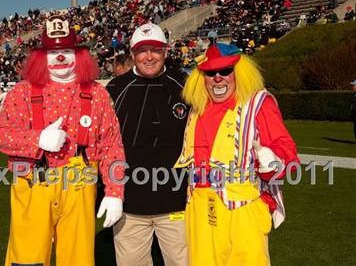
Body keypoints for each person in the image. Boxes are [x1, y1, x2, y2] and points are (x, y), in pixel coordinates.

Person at [0, 15, 126, 266]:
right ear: (41, 57)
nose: (61, 58)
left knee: (78, 259)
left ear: (79, 55)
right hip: (33, 184)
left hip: (80, 184)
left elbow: (112, 146)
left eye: (67, 50)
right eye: (53, 52)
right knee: (27, 259)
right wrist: (37, 139)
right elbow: (0, 137)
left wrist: (115, 192)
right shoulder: (22, 91)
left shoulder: (97, 93)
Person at [175, 43, 299, 266]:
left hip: (243, 207)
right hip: (199, 206)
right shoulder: (196, 108)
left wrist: (274, 160)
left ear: (239, 72)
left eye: (226, 70)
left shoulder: (258, 103)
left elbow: (287, 153)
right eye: (211, 73)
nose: (218, 78)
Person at [106, 23, 189, 266]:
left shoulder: (185, 86)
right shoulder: (115, 89)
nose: (149, 56)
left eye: (156, 49)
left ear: (166, 51)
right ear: (132, 54)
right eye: (142, 50)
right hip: (129, 205)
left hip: (176, 203)